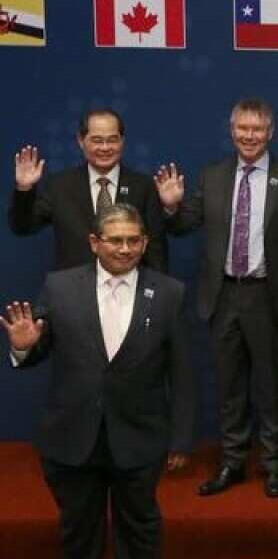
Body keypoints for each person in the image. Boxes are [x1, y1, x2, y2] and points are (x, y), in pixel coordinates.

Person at [3, 203, 193, 558]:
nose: (125, 249)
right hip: (72, 438)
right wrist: (24, 347)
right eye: (116, 240)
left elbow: (182, 371)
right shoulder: (58, 287)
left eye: (134, 241)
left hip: (139, 436)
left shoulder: (170, 292)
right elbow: (38, 348)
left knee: (140, 533)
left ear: (145, 242)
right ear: (94, 242)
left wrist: (181, 438)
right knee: (79, 535)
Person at [153, 97, 278, 498]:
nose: (249, 136)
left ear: (270, 133)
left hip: (267, 295)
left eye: (257, 129)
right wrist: (171, 207)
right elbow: (185, 223)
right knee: (230, 387)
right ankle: (233, 463)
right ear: (231, 131)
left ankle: (275, 465)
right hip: (223, 294)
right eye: (242, 128)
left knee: (271, 387)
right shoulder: (213, 175)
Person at [10, 108, 168, 271]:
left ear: (122, 141)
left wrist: (157, 291)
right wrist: (24, 188)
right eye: (97, 140)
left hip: (129, 289)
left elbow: (155, 248)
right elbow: (23, 226)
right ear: (81, 141)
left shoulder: (143, 186)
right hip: (74, 289)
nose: (105, 148)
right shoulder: (59, 186)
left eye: (112, 140)